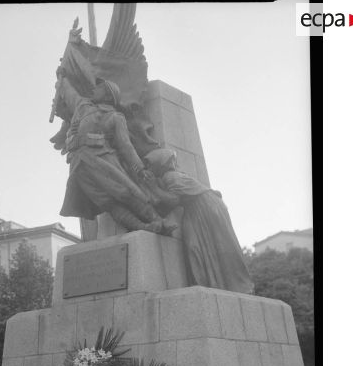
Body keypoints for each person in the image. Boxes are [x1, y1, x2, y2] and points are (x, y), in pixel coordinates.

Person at [55, 61, 176, 235]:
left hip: (102, 159)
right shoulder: (82, 107)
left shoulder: (115, 117)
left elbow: (126, 147)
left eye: (99, 88)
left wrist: (140, 170)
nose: (94, 90)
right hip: (79, 165)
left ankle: (158, 220)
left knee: (127, 193)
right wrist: (62, 78)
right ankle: (144, 227)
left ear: (107, 94)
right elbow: (69, 93)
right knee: (108, 204)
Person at [144, 148, 254, 294]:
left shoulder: (171, 177)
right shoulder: (169, 178)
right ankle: (211, 284)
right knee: (194, 246)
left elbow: (173, 201)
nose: (149, 169)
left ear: (160, 164)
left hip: (207, 207)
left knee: (221, 246)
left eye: (150, 165)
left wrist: (152, 187)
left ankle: (238, 286)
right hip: (195, 209)